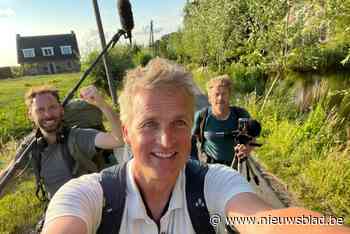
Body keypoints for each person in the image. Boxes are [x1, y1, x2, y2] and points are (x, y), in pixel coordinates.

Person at [42, 58, 349, 234]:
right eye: (149, 124)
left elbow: (266, 223)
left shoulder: (216, 183)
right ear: (126, 133)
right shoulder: (86, 195)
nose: (166, 140)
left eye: (178, 123)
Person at [0, 85, 123, 201]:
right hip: (57, 208)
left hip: (91, 203)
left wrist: (101, 104)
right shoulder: (31, 145)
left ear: (61, 110)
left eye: (52, 107)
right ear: (30, 115)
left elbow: (118, 140)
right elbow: (10, 173)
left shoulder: (77, 137)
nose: (48, 115)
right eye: (40, 110)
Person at [192, 75, 254, 166]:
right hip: (209, 167)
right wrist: (194, 165)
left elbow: (253, 136)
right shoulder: (201, 116)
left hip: (234, 168)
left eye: (224, 94)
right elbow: (190, 142)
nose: (220, 98)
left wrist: (247, 149)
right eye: (216, 94)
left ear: (229, 96)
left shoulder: (241, 114)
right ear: (209, 98)